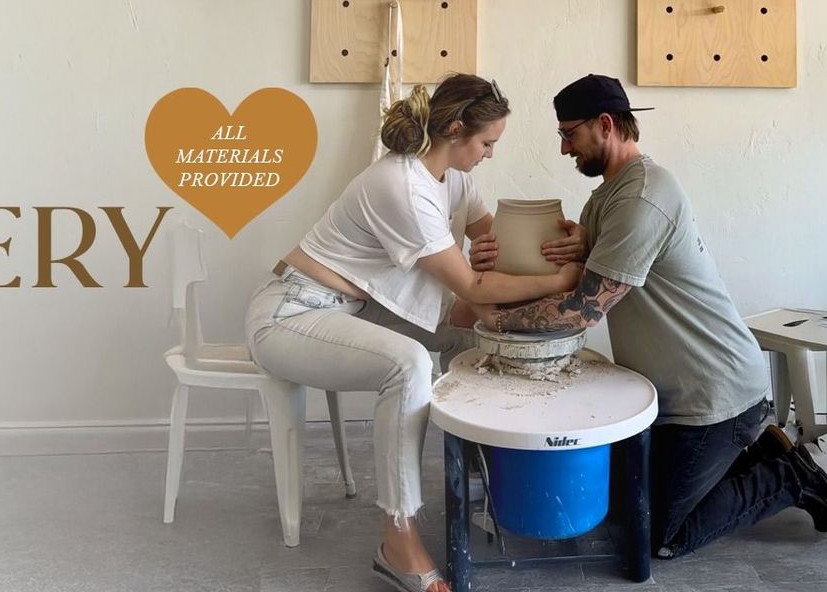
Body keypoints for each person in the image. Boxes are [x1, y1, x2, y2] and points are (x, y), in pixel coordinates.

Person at [244, 74, 583, 592]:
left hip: (356, 308)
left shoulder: (455, 179)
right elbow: (471, 282)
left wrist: (566, 242)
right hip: (291, 314)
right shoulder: (400, 184)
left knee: (476, 337)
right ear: (455, 129)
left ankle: (488, 478)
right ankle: (397, 540)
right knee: (409, 364)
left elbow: (496, 243)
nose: (491, 154)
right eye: (487, 143)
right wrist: (560, 281)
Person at [468, 73, 827, 559]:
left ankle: (788, 475)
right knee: (621, 506)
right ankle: (764, 451)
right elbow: (576, 277)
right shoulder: (609, 196)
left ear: (605, 124)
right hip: (678, 394)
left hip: (712, 398)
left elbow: (583, 309)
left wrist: (494, 319)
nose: (564, 148)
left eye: (569, 134)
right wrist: (499, 258)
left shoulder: (642, 197)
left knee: (655, 536)